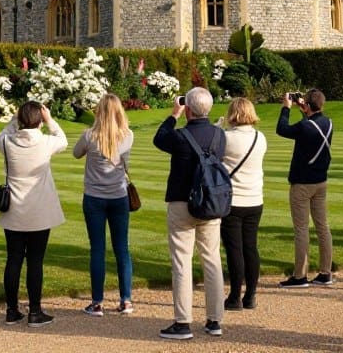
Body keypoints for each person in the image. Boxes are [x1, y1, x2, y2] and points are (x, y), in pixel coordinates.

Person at [153, 87, 226, 340]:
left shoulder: (180, 136)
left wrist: (174, 114)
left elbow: (159, 138)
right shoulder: (220, 135)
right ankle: (215, 319)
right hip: (210, 202)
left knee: (182, 262)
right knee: (211, 259)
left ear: (189, 109)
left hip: (182, 202)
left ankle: (183, 322)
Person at [0, 100, 67, 327]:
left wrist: (17, 118)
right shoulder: (46, 142)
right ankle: (35, 311)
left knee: (13, 259)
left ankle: (12, 310)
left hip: (14, 208)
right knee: (35, 261)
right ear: (38, 120)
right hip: (39, 209)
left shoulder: (6, 142)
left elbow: (4, 131)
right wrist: (49, 119)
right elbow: (62, 140)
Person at [73, 93, 135, 316]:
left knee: (97, 249)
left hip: (95, 197)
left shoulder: (90, 135)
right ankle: (126, 299)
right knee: (122, 249)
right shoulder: (127, 136)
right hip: (118, 196)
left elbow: (76, 154)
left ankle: (97, 302)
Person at [276, 88, 334, 288]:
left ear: (308, 105)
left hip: (302, 183)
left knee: (301, 229)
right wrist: (304, 109)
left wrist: (286, 107)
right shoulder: (328, 123)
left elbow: (282, 129)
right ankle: (325, 272)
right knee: (322, 227)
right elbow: (311, 124)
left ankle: (300, 275)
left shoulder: (304, 127)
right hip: (321, 181)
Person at [219, 97, 267, 311]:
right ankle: (251, 295)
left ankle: (235, 296)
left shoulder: (227, 137)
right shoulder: (260, 137)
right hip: (255, 198)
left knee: (234, 249)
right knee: (250, 247)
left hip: (234, 199)